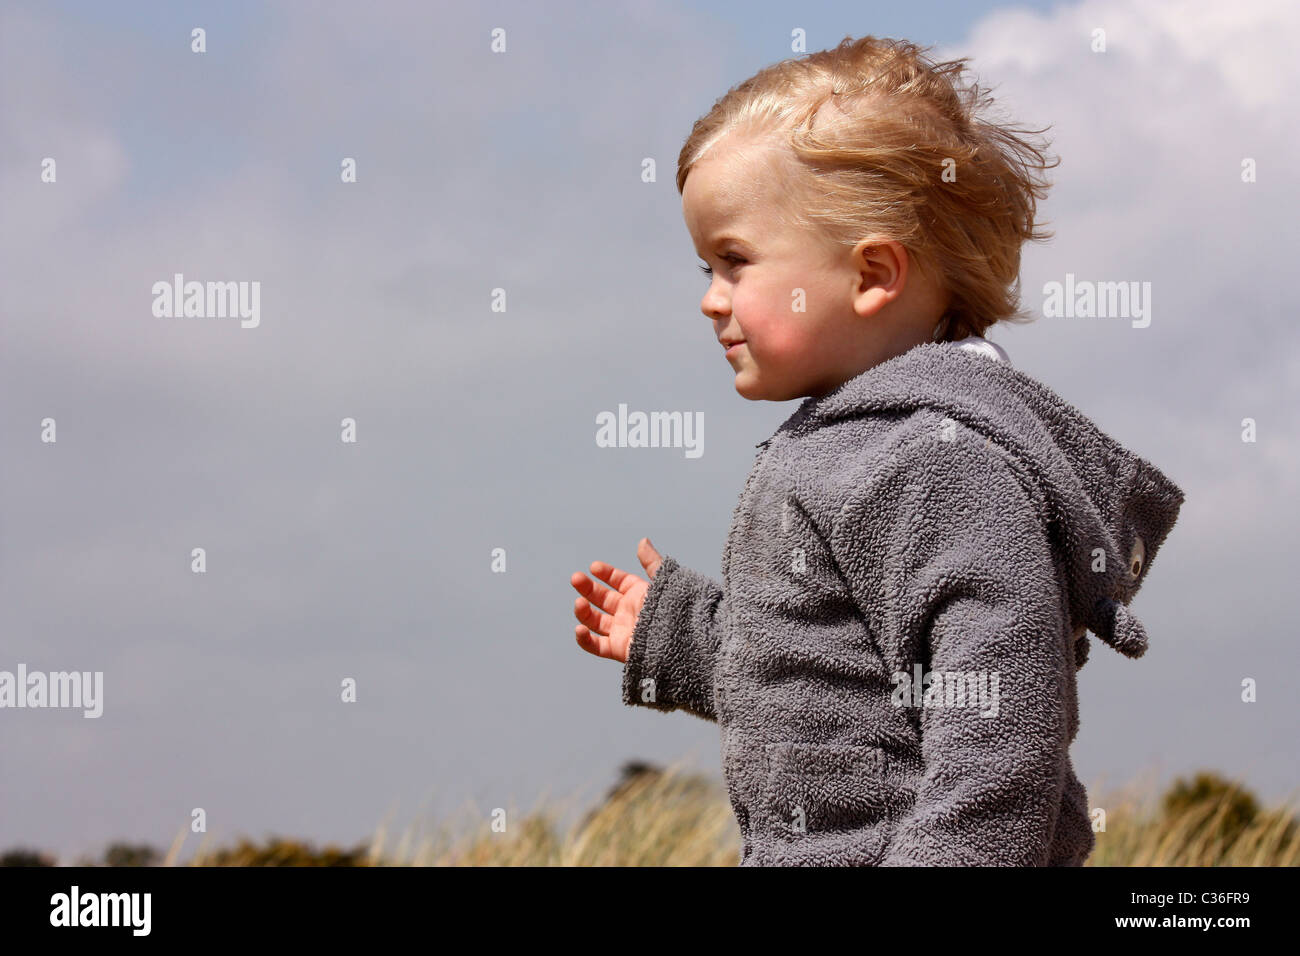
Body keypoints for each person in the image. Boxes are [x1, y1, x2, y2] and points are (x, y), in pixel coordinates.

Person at [569, 35, 1184, 866]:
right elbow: (824, 689)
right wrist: (680, 636)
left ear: (870, 275)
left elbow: (1003, 732)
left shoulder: (943, 461)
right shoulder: (849, 442)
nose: (710, 300)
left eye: (733, 261)